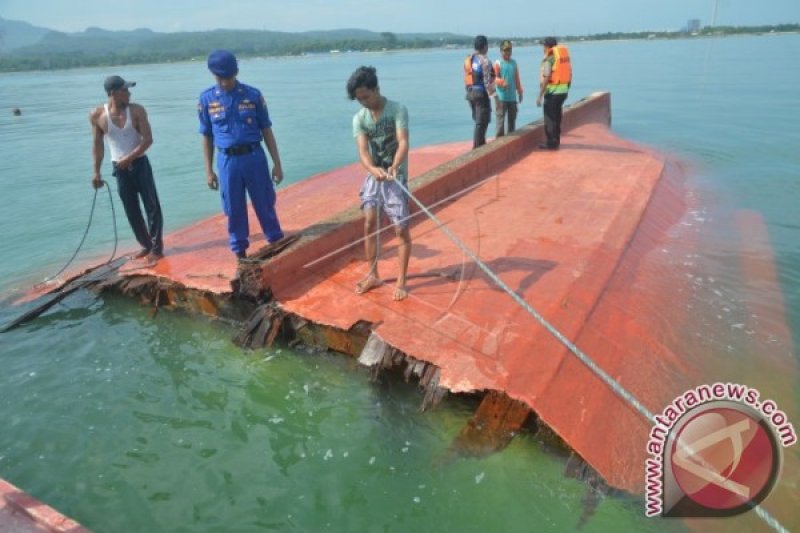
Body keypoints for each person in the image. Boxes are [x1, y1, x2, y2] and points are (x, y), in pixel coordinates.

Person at [198, 49, 284, 260]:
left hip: (254, 157)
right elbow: (207, 136)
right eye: (220, 78)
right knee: (233, 208)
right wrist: (209, 170)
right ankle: (240, 254)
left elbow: (266, 130)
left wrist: (277, 163)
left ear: (236, 73)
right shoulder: (207, 99)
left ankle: (277, 244)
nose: (225, 82)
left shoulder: (253, 95)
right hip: (227, 160)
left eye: (228, 77)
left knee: (264, 202)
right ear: (213, 75)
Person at [347, 66, 411, 302]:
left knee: (400, 228)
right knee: (369, 222)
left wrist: (394, 166)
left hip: (396, 174)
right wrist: (373, 169)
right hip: (375, 174)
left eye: (366, 96)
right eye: (359, 99)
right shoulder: (359, 119)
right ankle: (373, 274)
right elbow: (363, 152)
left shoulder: (397, 109)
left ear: (377, 89)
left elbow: (403, 142)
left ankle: (402, 280)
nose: (363, 102)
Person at [90, 75, 164, 261]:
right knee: (131, 208)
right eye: (125, 90)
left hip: (140, 163)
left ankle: (156, 248)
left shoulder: (137, 111)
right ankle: (145, 244)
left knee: (151, 205)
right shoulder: (97, 115)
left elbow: (148, 140)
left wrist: (129, 158)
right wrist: (96, 172)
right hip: (119, 168)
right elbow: (97, 145)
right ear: (113, 93)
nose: (129, 93)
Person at [536, 37, 572, 150]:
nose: (543, 48)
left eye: (544, 46)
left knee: (550, 118)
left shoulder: (549, 60)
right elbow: (570, 74)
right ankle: (556, 141)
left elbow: (546, 77)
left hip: (552, 93)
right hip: (563, 92)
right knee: (557, 116)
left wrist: (540, 95)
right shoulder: (562, 59)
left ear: (547, 47)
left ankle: (551, 143)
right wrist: (567, 88)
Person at [463, 35, 496, 148]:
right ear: (485, 46)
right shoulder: (485, 61)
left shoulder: (469, 59)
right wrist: (494, 94)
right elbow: (488, 81)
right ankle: (477, 147)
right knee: (482, 122)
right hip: (480, 94)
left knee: (478, 120)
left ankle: (479, 144)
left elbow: (468, 77)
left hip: (470, 93)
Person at [493, 39, 524, 137]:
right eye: (505, 50)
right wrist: (502, 82)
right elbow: (494, 78)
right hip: (501, 97)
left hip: (512, 97)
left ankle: (510, 139)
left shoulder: (513, 63)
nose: (507, 52)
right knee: (500, 121)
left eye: (509, 50)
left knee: (512, 120)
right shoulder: (498, 63)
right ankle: (499, 141)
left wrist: (520, 92)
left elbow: (517, 79)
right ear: (501, 51)